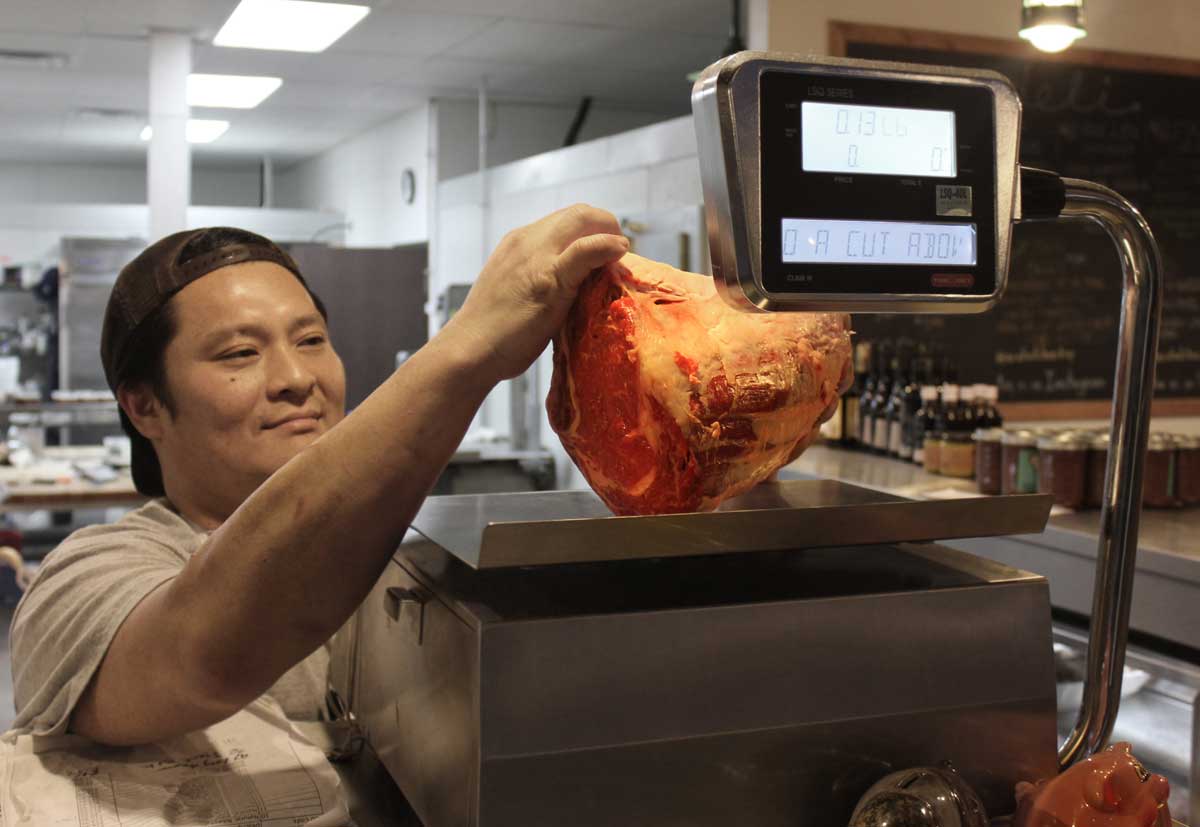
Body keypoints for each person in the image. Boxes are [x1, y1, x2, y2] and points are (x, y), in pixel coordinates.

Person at [9, 204, 631, 746]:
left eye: (310, 340)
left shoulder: (401, 560)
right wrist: (466, 350)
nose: (296, 378)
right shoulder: (86, 579)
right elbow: (203, 655)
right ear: (144, 405)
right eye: (240, 354)